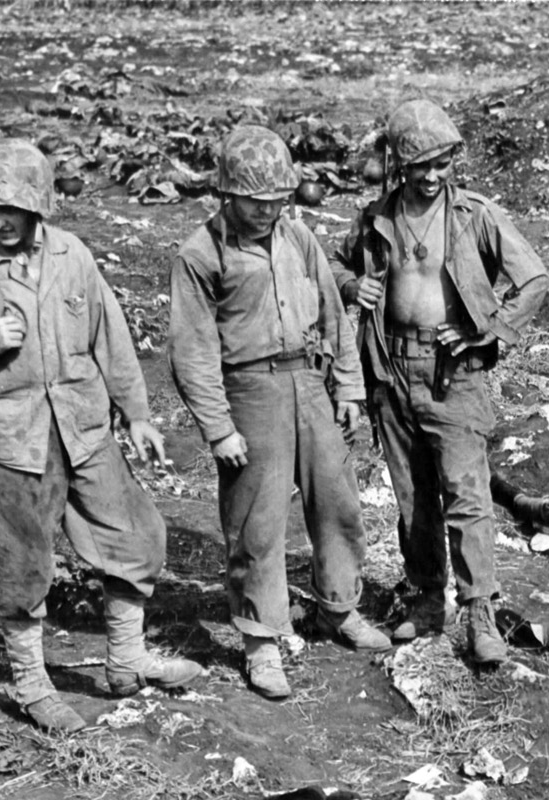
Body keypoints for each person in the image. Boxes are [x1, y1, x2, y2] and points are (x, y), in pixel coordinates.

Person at [0, 138, 202, 733]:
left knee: (137, 534)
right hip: (13, 438)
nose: (1, 220)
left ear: (39, 206)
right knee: (26, 564)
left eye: (13, 208)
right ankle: (34, 687)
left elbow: (109, 337)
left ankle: (126, 659)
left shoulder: (71, 255)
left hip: (84, 425)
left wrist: (136, 414)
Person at [170, 124, 389, 701]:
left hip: (309, 379)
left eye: (277, 200)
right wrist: (218, 428)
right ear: (226, 194)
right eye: (256, 201)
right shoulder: (201, 254)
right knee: (257, 522)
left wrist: (348, 387)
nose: (268, 211)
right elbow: (192, 351)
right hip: (250, 391)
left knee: (337, 501)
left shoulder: (298, 236)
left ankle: (339, 609)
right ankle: (261, 641)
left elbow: (336, 316)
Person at [331, 100, 549, 666]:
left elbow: (535, 279)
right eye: (420, 165)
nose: (432, 176)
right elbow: (327, 266)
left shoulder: (474, 215)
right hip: (391, 372)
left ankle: (480, 613)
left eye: (442, 163)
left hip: (455, 376)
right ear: (399, 165)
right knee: (413, 500)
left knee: (467, 496)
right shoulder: (375, 218)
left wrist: (488, 332)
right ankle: (427, 599)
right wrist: (354, 287)